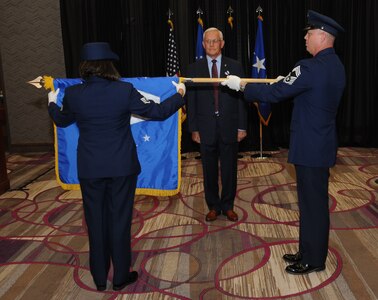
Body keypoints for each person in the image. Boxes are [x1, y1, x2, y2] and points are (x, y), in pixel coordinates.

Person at [47, 42, 186, 290]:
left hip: (90, 168)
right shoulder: (124, 90)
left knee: (95, 221)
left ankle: (99, 279)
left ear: (85, 67)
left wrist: (50, 102)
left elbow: (61, 119)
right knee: (120, 221)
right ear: (109, 65)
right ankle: (121, 276)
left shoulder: (74, 94)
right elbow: (158, 112)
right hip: (122, 166)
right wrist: (179, 94)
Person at [221, 10, 345, 274]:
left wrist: (241, 85)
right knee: (312, 203)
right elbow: (309, 94)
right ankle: (308, 250)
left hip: (310, 147)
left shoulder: (309, 66)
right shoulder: (336, 66)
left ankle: (314, 260)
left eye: (309, 34)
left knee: (312, 206)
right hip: (321, 143)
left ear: (322, 37)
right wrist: (289, 83)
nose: (306, 39)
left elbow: (276, 93)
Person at [186, 27, 248, 222]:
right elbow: (192, 101)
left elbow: (241, 99)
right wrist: (194, 128)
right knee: (209, 170)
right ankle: (213, 205)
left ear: (222, 43)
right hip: (205, 128)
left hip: (230, 126)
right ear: (203, 44)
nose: (211, 44)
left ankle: (228, 205)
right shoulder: (193, 69)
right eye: (208, 41)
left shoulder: (235, 66)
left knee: (230, 169)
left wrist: (242, 126)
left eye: (215, 41)